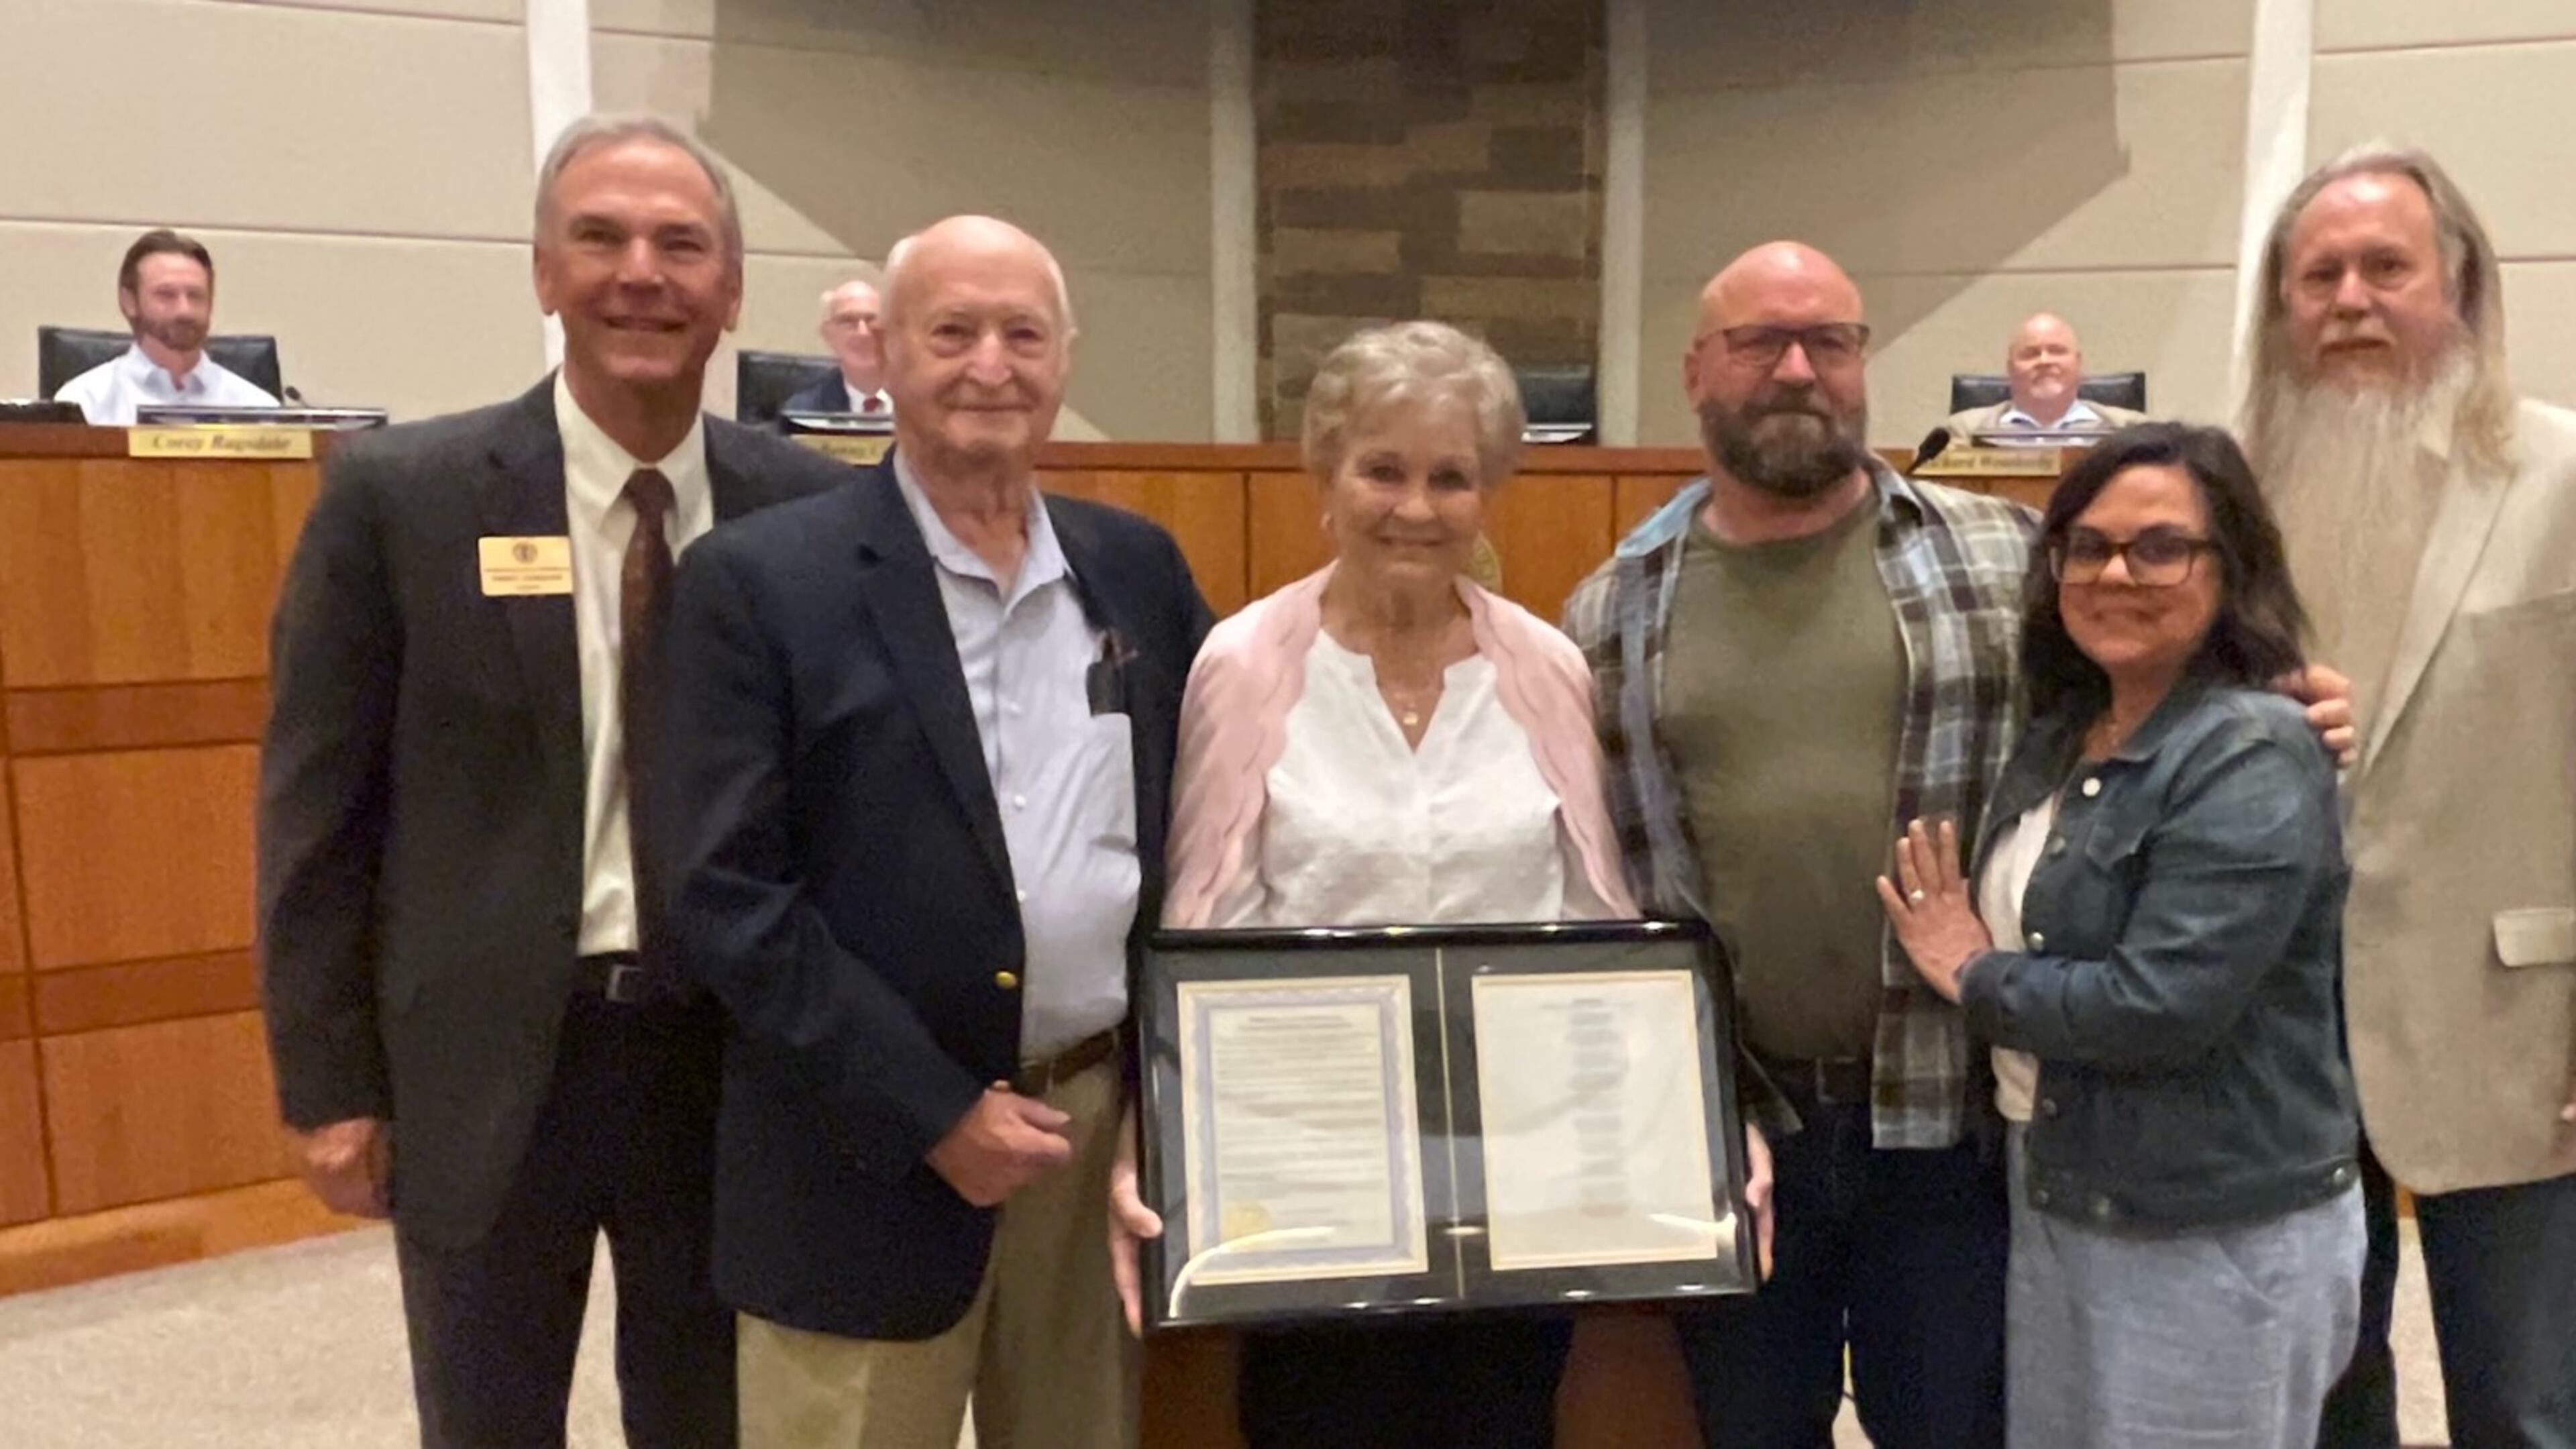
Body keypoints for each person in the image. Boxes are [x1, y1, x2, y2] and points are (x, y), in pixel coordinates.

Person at [1564, 244, 2357, 1449]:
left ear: (1864, 363)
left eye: (1830, 341)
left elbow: (2141, 685)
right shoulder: (1616, 601)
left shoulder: (1999, 558)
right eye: (1759, 343)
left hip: (1946, 1122)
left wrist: (2285, 693)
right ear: (1695, 370)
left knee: (1960, 1427)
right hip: (1740, 1122)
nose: (1797, 369)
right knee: (1744, 1428)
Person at [258, 115, 848, 1448]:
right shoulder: (401, 498)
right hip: (487, 1063)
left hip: (725, 1062)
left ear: (732, 291)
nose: (643, 271)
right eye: (602, 237)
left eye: (681, 244)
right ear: (542, 272)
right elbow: (316, 812)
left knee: (709, 1417)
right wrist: (329, 1083)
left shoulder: (808, 509)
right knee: (489, 1417)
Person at [1104, 320, 1759, 1448]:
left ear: (1491, 490)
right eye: (1384, 470)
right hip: (1307, 1182)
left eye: (1451, 476)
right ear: (1325, 472)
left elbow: (1597, 921)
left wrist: (1696, 1120)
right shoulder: (1246, 664)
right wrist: (1150, 1131)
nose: (1415, 507)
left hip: (1507, 1190)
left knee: (1501, 1420)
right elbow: (1200, 921)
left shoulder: (1545, 668)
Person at [657, 214, 1211, 1449]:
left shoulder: (1139, 570)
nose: (990, 365)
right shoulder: (758, 582)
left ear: (1066, 359)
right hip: (856, 1158)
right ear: (885, 357)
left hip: (1092, 1138)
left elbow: (1203, 822)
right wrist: (932, 1111)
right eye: (951, 332)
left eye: (1023, 334)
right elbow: (726, 896)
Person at [1880, 422, 2361, 1448]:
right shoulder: (2067, 731)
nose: (2115, 574)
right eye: (2087, 547)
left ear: (2232, 569)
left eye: (2160, 548)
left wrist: (1973, 972)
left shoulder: (2252, 748)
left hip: (2211, 1225)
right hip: (2064, 1193)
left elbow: (2160, 1008)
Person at [2251, 147, 2576, 1449]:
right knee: (2323, 1403)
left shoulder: (2562, 477)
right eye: (2317, 274)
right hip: (2281, 1036)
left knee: (2527, 1406)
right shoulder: (2230, 498)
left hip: (2518, 1027)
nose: (2349, 299)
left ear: (2463, 288)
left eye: (2387, 267)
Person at [54, 229, 280, 423]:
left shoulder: (259, 410)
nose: (185, 310)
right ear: (129, 302)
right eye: (166, 295)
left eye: (195, 296)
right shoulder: (85, 403)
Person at [1941, 311, 2145, 443]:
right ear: (2010, 369)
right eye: (2030, 354)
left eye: (2057, 351)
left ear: (2079, 364)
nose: (2044, 361)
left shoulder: (2133, 430)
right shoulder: (1964, 432)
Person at [780, 278, 892, 416]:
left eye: (871, 320)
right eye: (848, 321)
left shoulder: (923, 401)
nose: (863, 333)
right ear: (828, 335)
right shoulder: (803, 412)